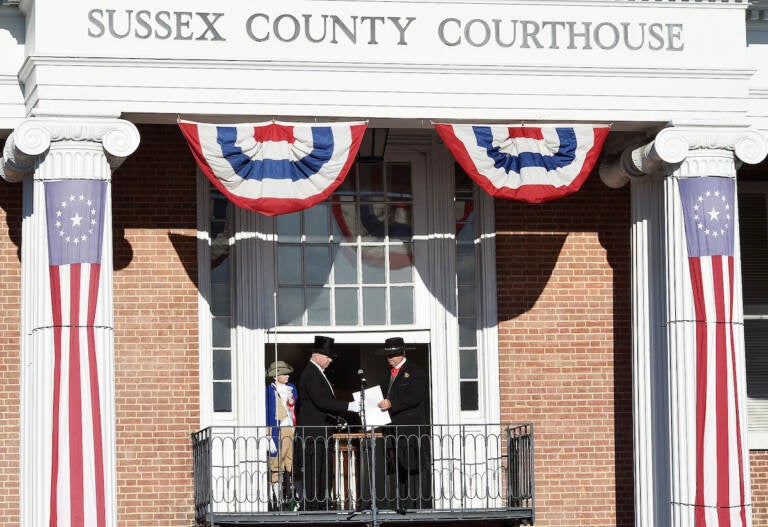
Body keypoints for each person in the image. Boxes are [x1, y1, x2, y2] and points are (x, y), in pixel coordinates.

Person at [297, 335, 360, 510]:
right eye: (328, 357)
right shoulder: (311, 373)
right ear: (317, 355)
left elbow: (322, 403)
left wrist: (336, 418)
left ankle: (322, 503)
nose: (330, 360)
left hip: (322, 432)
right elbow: (321, 401)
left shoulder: (317, 373)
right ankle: (313, 507)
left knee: (323, 469)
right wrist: (350, 405)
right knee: (315, 471)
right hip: (313, 433)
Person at [377, 337, 431, 511]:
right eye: (388, 355)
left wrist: (392, 403)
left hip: (411, 427)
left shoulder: (416, 371)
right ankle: (401, 504)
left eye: (394, 354)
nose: (390, 358)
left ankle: (415, 504)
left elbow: (415, 397)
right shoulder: (387, 373)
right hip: (394, 428)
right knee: (398, 466)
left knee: (413, 466)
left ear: (403, 353)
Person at [265, 360, 298, 510]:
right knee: (276, 462)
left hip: (290, 428)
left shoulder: (291, 388)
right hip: (277, 429)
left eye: (287, 374)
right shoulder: (269, 390)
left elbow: (295, 402)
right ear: (275, 375)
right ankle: (277, 497)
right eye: (284, 374)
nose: (287, 376)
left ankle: (291, 496)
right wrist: (268, 434)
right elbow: (267, 411)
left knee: (290, 460)